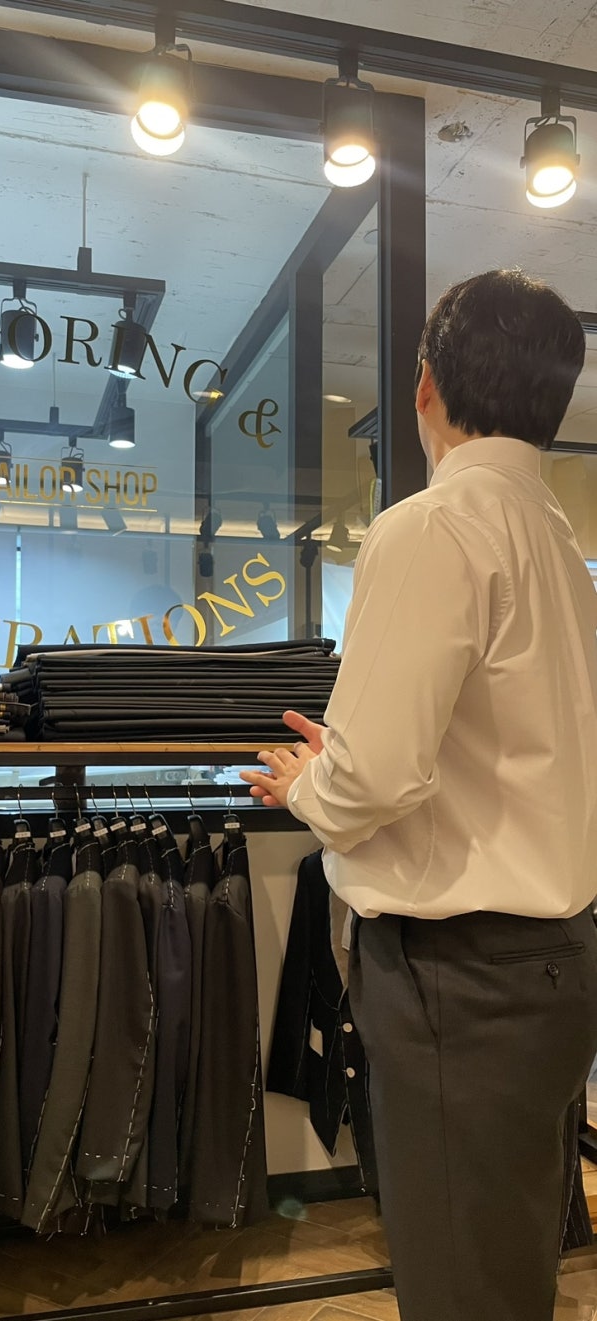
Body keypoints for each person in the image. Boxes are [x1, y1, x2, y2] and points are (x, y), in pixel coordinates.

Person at [241, 269, 597, 1321]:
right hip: (547, 958)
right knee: (507, 1258)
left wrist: (309, 782)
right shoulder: (559, 544)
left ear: (425, 387)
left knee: (460, 1281)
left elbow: (376, 776)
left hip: (458, 975)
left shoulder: (432, 527)